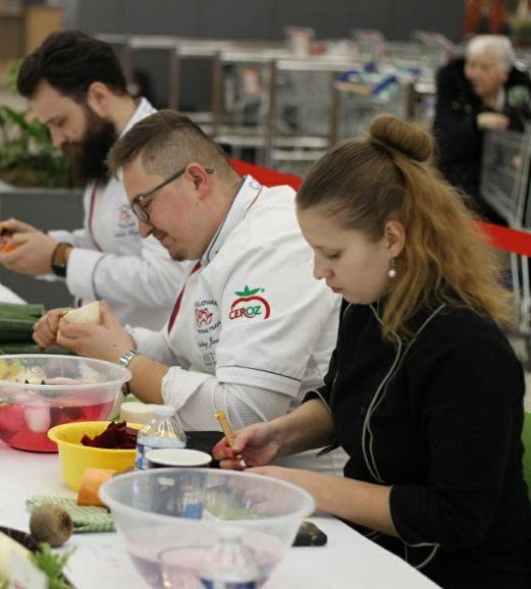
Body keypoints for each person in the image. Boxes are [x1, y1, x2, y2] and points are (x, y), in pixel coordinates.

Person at [214, 114, 531, 588]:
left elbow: (456, 517)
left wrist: (302, 486)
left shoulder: (467, 353)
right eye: (314, 252)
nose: (319, 271)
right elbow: (342, 391)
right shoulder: (365, 304)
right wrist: (281, 437)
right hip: (376, 555)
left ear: (392, 238)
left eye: (333, 254)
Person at [34, 110, 343, 473]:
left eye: (144, 208)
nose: (143, 230)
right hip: (241, 474)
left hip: (305, 497)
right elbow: (184, 353)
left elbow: (242, 413)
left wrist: (124, 361)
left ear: (196, 179)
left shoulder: (272, 243)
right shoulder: (219, 236)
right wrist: (103, 340)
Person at [0, 31, 190, 331]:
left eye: (60, 123)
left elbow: (169, 278)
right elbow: (111, 243)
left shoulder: (161, 155)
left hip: (157, 356)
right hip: (115, 347)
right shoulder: (104, 146)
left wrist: (61, 259)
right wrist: (44, 244)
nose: (57, 140)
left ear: (98, 96)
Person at [432, 34, 531, 225]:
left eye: (484, 68)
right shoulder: (453, 95)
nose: (474, 74)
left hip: (509, 200)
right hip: (461, 198)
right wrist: (476, 123)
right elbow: (443, 142)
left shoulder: (521, 99)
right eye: (471, 65)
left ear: (504, 73)